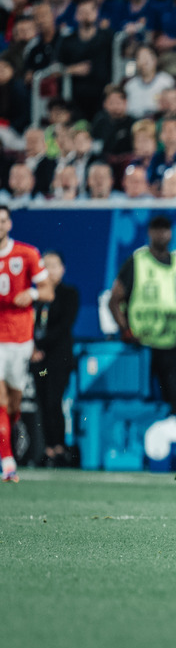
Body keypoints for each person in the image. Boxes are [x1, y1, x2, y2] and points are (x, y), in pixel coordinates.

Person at [108, 215, 176, 416]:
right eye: (157, 229)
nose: (162, 234)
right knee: (140, 401)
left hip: (172, 342)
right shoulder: (137, 260)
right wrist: (125, 329)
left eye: (166, 229)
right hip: (142, 344)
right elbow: (114, 300)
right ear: (149, 232)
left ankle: (173, 444)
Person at [0, 206, 53, 482]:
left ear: (9, 224)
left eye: (3, 220)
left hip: (20, 339)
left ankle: (7, 445)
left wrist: (30, 293)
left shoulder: (27, 253)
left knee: (12, 406)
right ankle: (8, 463)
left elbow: (48, 290)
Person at [30, 251, 79, 467]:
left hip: (58, 360)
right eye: (45, 265)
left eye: (53, 265)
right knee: (42, 400)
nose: (48, 270)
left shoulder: (68, 294)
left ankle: (60, 447)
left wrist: (41, 345)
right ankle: (48, 448)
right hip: (40, 363)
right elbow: (29, 324)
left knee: (53, 400)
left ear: (62, 269)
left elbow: (63, 326)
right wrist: (32, 347)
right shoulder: (36, 296)